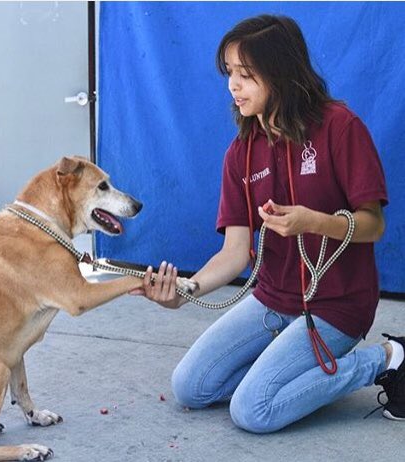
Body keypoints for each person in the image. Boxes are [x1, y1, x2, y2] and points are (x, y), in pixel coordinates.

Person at [130, 14, 405, 432]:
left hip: (337, 305)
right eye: (230, 73)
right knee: (190, 387)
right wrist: (184, 292)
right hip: (272, 300)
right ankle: (289, 370)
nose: (232, 86)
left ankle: (386, 358)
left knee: (253, 412)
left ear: (280, 73)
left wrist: (315, 222)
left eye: (245, 74)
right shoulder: (240, 154)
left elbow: (373, 225)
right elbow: (235, 252)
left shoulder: (339, 128)